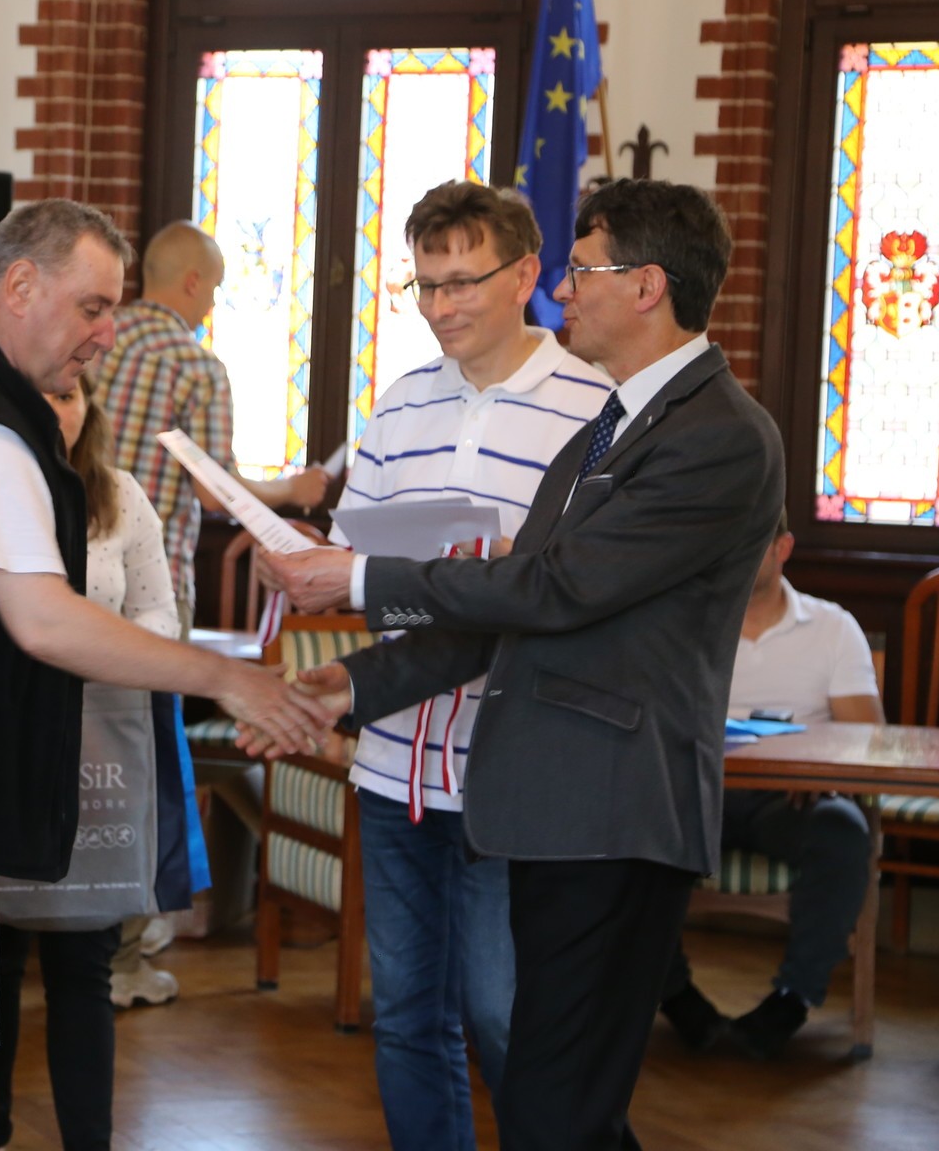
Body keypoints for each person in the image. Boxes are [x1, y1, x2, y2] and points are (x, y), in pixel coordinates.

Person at [0, 199, 334, 1151]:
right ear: (20, 285)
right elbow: (43, 619)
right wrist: (226, 677)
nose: (107, 334)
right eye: (92, 307)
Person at [256, 178, 784, 1151]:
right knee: (554, 1101)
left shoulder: (717, 434)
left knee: (548, 1094)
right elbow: (513, 609)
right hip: (546, 798)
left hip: (609, 804)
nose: (565, 292)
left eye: (581, 271)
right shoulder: (614, 427)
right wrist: (357, 685)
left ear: (648, 285)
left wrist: (360, 575)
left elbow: (554, 590)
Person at [334, 182, 612, 1151]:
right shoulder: (401, 402)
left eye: (463, 281)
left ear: (527, 272)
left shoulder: (593, 410)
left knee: (505, 1016)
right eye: (426, 284)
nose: (441, 305)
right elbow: (359, 573)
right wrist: (429, 583)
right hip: (392, 765)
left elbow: (577, 599)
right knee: (407, 1017)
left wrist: (454, 584)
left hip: (515, 769)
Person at [92, 220, 330, 1002]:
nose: (213, 306)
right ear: (192, 282)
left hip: (68, 590)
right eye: (216, 290)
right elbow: (214, 488)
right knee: (142, 770)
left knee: (82, 762)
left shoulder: (95, 337)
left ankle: (67, 938)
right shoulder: (195, 363)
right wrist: (293, 491)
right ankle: (122, 960)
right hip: (151, 593)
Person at [0, 373, 178, 1151]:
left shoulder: (122, 497)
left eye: (72, 395)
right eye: (45, 395)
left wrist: (99, 651)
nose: (60, 410)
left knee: (84, 962)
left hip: (97, 748)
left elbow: (160, 615)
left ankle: (90, 1140)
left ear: (92, 407)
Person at [657, 508, 880, 1060]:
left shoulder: (833, 627)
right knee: (633, 826)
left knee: (844, 831)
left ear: (783, 548)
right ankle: (674, 993)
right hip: (699, 795)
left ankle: (793, 998)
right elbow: (658, 718)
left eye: (751, 541)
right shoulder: (689, 621)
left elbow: (867, 735)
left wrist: (815, 767)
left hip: (791, 802)